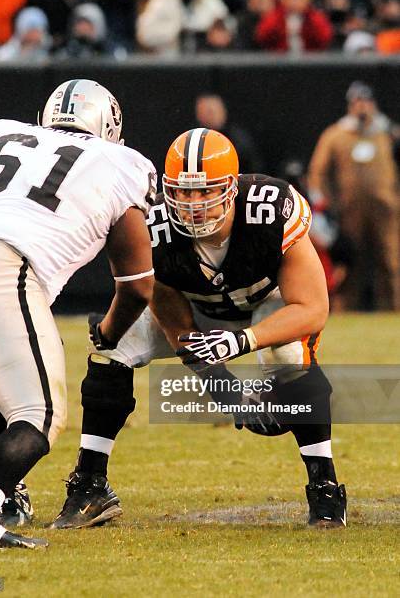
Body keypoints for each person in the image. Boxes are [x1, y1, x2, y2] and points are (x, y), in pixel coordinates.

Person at [51, 128, 347, 531]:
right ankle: (89, 484)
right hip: (197, 308)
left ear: (232, 188)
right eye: (183, 192)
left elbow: (312, 308)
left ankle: (325, 486)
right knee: (113, 347)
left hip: (266, 306)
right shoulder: (151, 219)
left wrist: (240, 341)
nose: (192, 204)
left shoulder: (271, 209)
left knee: (288, 355)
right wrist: (221, 383)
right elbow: (163, 297)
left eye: (205, 191)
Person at [0, 78, 156, 550]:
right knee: (40, 413)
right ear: (110, 125)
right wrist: (109, 332)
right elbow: (138, 284)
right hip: (0, 267)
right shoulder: (122, 162)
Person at [307, 81, 399, 311]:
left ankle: (394, 308)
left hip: (385, 208)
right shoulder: (337, 134)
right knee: (349, 262)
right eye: (357, 102)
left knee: (390, 260)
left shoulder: (387, 133)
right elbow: (317, 172)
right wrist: (326, 204)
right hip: (349, 210)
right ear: (350, 106)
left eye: (366, 101)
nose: (362, 107)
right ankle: (345, 310)